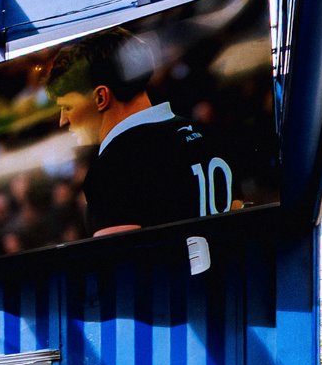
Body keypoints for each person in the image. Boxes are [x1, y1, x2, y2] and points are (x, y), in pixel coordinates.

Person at [41, 27, 232, 235]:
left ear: (100, 98)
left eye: (67, 106)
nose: (62, 120)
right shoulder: (205, 134)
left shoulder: (111, 169)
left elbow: (125, 264)